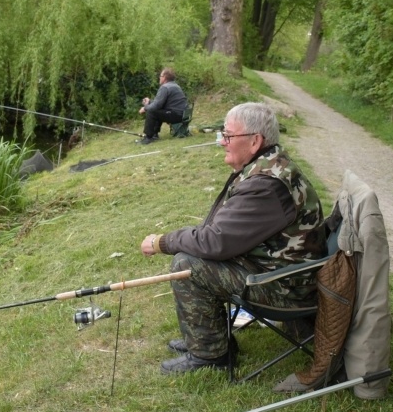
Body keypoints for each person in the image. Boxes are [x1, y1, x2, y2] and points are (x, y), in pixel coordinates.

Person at [139, 102, 326, 374]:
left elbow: (215, 242)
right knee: (193, 256)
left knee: (187, 266)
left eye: (228, 136)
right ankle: (211, 338)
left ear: (254, 141)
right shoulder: (267, 165)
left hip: (283, 287)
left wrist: (161, 241)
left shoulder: (266, 183)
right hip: (278, 272)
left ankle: (212, 357)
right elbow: (221, 233)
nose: (221, 142)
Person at [137, 67, 188, 145]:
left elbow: (156, 106)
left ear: (164, 77)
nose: (159, 78)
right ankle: (154, 134)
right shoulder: (174, 85)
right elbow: (160, 103)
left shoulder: (165, 87)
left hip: (177, 115)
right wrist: (149, 102)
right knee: (156, 111)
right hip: (182, 114)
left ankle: (148, 138)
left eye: (160, 76)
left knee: (151, 112)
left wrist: (145, 108)